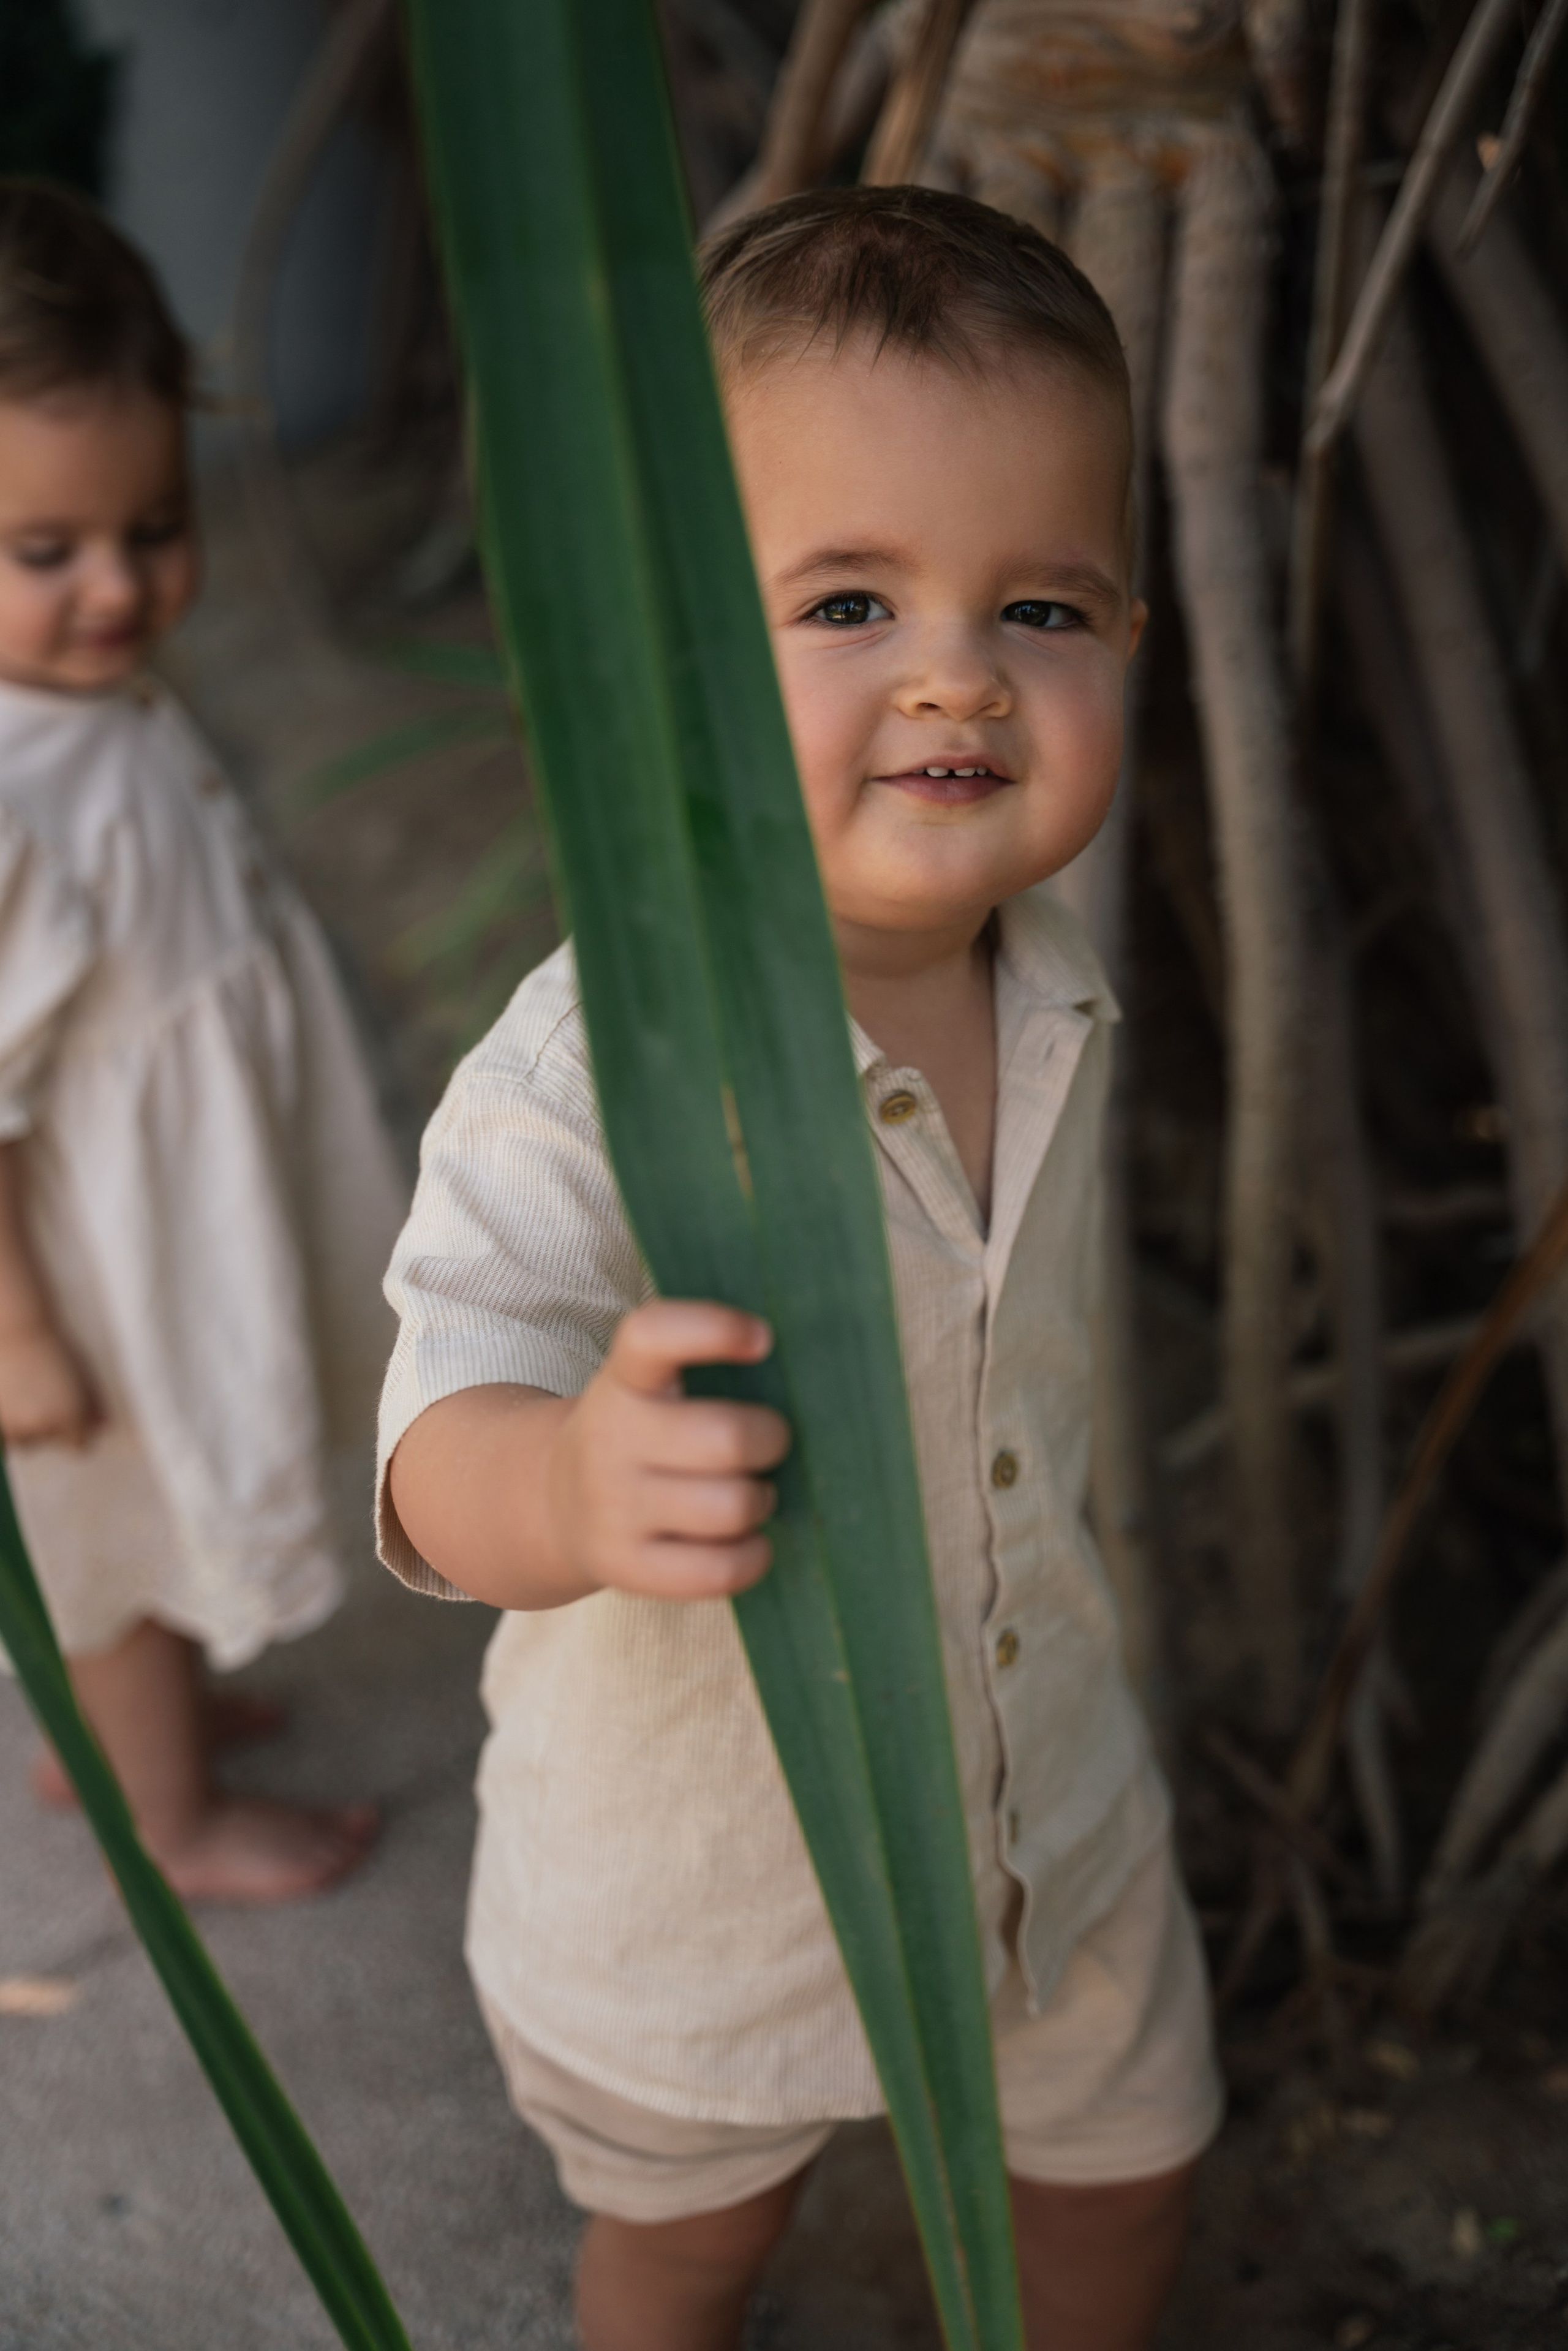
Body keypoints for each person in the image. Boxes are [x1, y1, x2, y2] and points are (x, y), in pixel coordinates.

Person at [380, 186, 1222, 2350]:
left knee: (1127, 2176)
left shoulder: (1050, 979)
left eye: (1041, 604)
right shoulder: (603, 1060)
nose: (959, 669)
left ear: (1128, 635)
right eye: (850, 598)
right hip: (703, 1895)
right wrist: (563, 1489)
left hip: (1047, 1819)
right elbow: (436, 1412)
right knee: (686, 2248)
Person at [0, 179, 404, 1902]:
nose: (119, 587)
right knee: (127, 1530)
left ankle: (134, 1707)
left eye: (153, 526)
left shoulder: (80, 702)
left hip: (172, 1207)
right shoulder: (15, 781)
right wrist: (16, 1334)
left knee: (158, 1537)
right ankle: (164, 1821)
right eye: (46, 552)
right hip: (93, 1270)